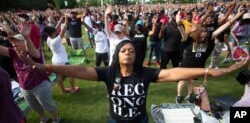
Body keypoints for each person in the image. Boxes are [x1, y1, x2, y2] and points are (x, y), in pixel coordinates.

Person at [21, 39, 248, 123]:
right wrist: (46, 66)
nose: (128, 52)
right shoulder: (108, 73)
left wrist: (211, 71)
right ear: (117, 55)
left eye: (131, 50)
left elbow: (174, 73)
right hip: (115, 119)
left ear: (135, 55)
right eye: (123, 50)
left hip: (140, 120)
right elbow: (78, 69)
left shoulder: (146, 73)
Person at [176, 7, 245, 104]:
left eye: (205, 35)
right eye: (201, 36)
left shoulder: (209, 39)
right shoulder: (190, 39)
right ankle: (179, 96)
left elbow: (224, 27)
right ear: (197, 34)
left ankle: (189, 95)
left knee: (192, 81)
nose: (203, 37)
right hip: (186, 64)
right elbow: (182, 32)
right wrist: (178, 22)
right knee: (182, 81)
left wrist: (237, 16)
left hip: (198, 66)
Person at [0, 21, 60, 123]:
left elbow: (34, 52)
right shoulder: (14, 53)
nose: (14, 42)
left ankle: (55, 118)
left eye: (17, 40)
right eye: (12, 41)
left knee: (48, 104)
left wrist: (27, 37)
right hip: (25, 88)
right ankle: (43, 118)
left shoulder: (33, 53)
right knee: (35, 107)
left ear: (25, 42)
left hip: (40, 85)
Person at [43, 16, 79, 94]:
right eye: (54, 31)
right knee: (71, 74)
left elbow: (55, 29)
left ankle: (62, 90)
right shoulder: (56, 40)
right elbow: (63, 29)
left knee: (60, 76)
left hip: (55, 61)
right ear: (52, 33)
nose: (56, 31)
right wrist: (65, 20)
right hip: (62, 61)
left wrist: (60, 20)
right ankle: (73, 89)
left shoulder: (49, 39)